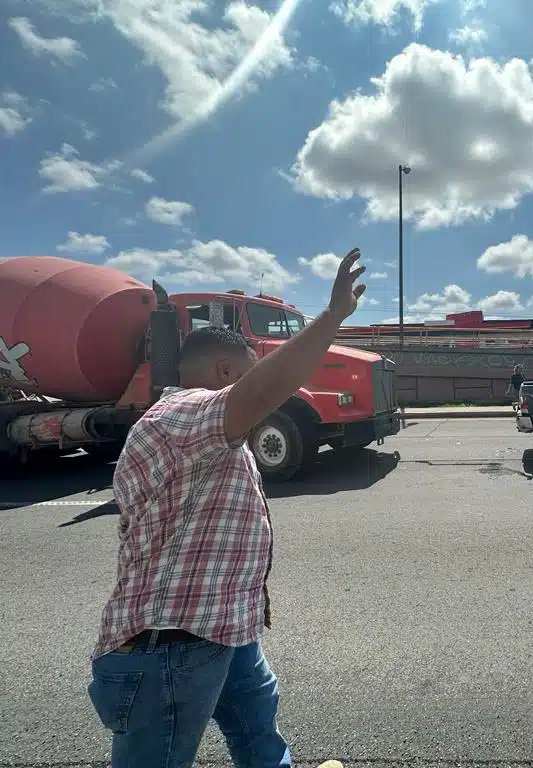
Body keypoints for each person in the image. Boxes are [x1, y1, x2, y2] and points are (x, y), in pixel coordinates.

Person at [86, 248, 368, 768]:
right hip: (170, 645)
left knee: (261, 740)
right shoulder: (181, 414)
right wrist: (331, 318)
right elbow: (266, 389)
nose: (258, 393)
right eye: (246, 375)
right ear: (223, 371)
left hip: (222, 629)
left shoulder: (213, 436)